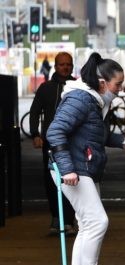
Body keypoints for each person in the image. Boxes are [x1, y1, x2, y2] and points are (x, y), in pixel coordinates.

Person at [47, 52, 125, 265]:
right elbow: (55, 131)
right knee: (97, 222)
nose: (120, 90)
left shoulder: (92, 100)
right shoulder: (81, 99)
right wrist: (67, 169)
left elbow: (93, 135)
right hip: (72, 170)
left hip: (80, 167)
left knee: (87, 226)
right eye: (118, 85)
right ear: (102, 82)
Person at [29, 52, 77, 236]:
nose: (65, 67)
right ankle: (56, 218)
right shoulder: (46, 88)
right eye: (62, 64)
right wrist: (35, 134)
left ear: (72, 67)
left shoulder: (77, 87)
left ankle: (69, 220)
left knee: (72, 180)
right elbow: (34, 112)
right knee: (52, 181)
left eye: (68, 64)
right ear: (55, 67)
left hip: (72, 142)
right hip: (50, 143)